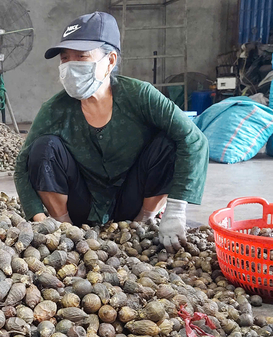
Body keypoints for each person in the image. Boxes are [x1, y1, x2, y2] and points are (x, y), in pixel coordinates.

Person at [14, 12, 208, 251]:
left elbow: (194, 140)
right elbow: (22, 167)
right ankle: (65, 228)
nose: (70, 66)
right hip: (81, 205)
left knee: (169, 140)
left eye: (81, 57)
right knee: (43, 147)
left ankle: (144, 222)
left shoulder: (140, 95)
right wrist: (40, 219)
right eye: (65, 59)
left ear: (110, 60)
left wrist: (177, 210)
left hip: (133, 201)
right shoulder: (54, 109)